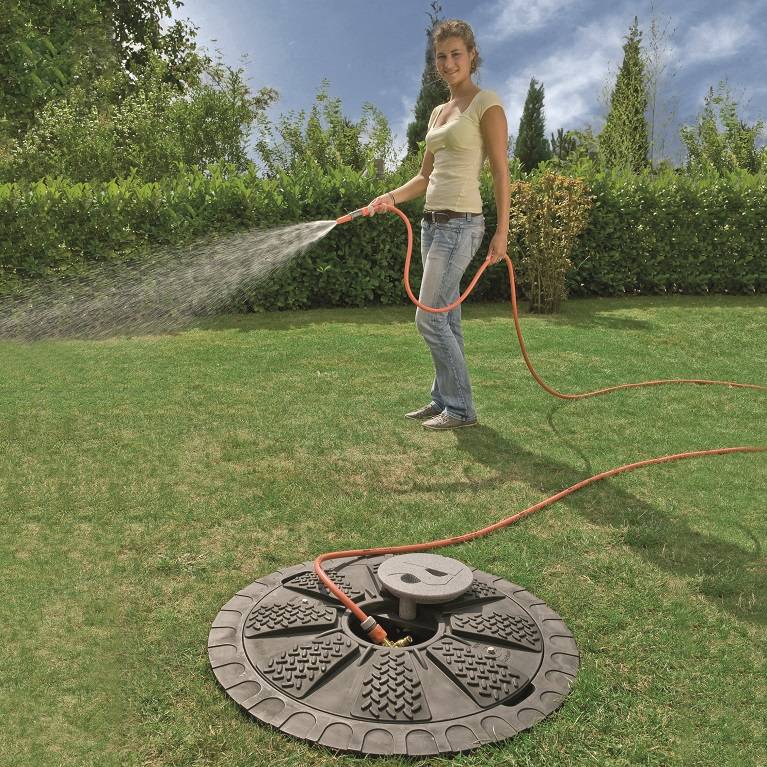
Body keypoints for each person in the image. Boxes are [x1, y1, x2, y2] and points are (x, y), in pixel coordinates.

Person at [369, 19, 509, 430]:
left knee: (428, 317)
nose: (448, 63)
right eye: (441, 57)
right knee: (447, 319)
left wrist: (502, 232)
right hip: (432, 225)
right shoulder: (437, 113)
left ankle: (462, 409)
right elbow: (424, 177)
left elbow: (501, 172)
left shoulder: (488, 104)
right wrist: (389, 197)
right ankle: (443, 399)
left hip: (463, 225)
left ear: (472, 57)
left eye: (456, 55)